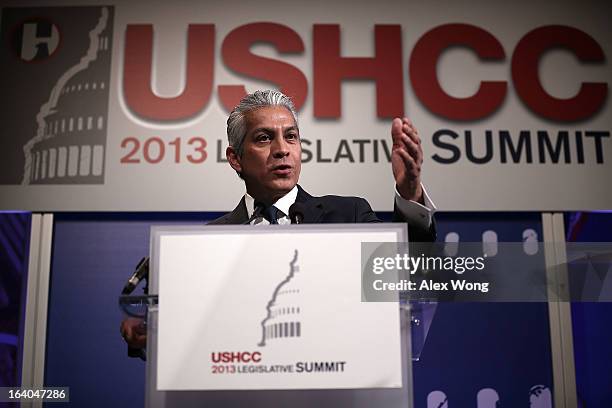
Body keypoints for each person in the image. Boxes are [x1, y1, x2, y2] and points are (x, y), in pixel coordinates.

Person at [120, 89, 436, 350]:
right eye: (263, 139)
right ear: (235, 159)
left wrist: (410, 194)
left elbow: (411, 273)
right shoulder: (206, 245)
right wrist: (155, 333)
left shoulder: (347, 216)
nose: (282, 150)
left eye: (291, 137)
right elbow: (192, 338)